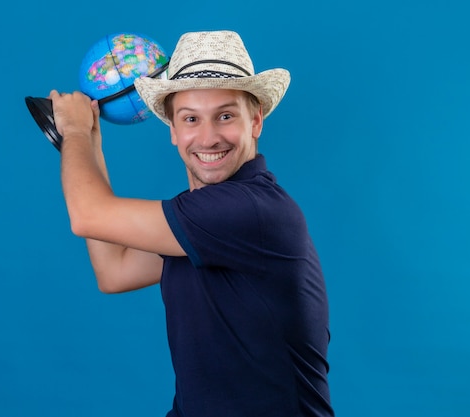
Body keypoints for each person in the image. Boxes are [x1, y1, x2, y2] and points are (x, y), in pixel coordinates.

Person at [48, 30, 334, 417]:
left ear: (256, 122)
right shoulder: (197, 226)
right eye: (191, 119)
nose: (208, 136)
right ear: (173, 131)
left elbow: (87, 216)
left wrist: (76, 131)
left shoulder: (251, 211)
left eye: (226, 116)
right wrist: (90, 141)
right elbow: (113, 269)